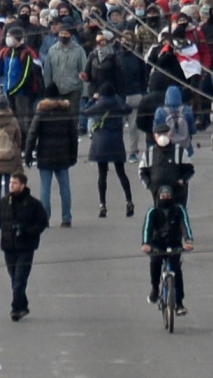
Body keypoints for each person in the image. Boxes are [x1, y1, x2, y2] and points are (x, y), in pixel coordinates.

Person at [0, 170, 49, 322]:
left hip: (26, 248)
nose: (11, 185)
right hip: (8, 247)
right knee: (14, 281)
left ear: (23, 185)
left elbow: (43, 223)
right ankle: (23, 305)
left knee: (19, 281)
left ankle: (16, 309)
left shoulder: (33, 204)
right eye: (10, 183)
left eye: (14, 183)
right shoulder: (4, 202)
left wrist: (26, 231)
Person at [24, 95, 79, 228]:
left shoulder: (41, 112)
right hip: (63, 155)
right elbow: (73, 135)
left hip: (45, 155)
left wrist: (28, 154)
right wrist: (73, 155)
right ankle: (66, 217)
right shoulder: (66, 112)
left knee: (45, 188)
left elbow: (32, 134)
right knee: (65, 188)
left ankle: (45, 217)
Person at [141, 183, 195, 312]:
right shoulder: (153, 211)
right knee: (155, 263)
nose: (165, 198)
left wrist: (188, 240)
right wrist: (146, 243)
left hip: (174, 243)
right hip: (157, 244)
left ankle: (179, 303)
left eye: (168, 195)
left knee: (176, 270)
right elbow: (147, 228)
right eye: (163, 195)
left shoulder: (179, 209)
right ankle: (155, 288)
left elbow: (185, 225)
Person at [87, 83, 136, 219]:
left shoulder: (99, 104)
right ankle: (129, 200)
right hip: (116, 142)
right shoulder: (117, 103)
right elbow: (128, 109)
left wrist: (93, 99)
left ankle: (103, 204)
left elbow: (86, 111)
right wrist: (118, 98)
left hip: (101, 143)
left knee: (102, 175)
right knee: (121, 172)